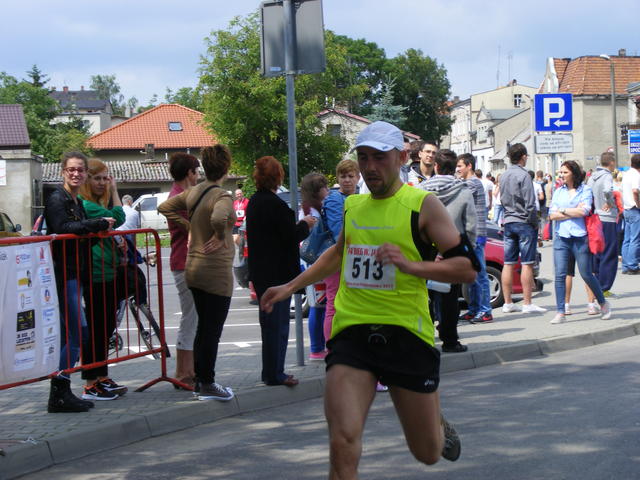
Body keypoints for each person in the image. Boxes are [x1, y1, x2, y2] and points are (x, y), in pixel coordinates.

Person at [260, 121, 479, 477]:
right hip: (353, 332)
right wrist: (289, 286)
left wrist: (411, 265)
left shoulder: (422, 205)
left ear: (401, 157)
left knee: (426, 452)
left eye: (379, 157)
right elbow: (338, 253)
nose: (370, 166)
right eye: (363, 158)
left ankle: (436, 425)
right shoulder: (353, 206)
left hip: (407, 334)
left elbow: (467, 268)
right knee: (342, 440)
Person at [159, 145, 236, 401]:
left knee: (202, 327)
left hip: (193, 268)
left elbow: (165, 207)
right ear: (226, 167)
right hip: (215, 271)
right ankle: (207, 383)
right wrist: (219, 234)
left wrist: (189, 225)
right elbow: (219, 217)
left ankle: (201, 380)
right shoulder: (222, 195)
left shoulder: (193, 191)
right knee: (212, 329)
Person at [45, 152, 113, 413]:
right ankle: (59, 391)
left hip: (76, 274)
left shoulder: (76, 200)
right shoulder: (57, 199)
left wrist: (101, 231)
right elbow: (62, 228)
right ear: (63, 171)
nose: (76, 174)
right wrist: (96, 224)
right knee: (77, 334)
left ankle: (62, 391)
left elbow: (81, 233)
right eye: (71, 170)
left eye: (80, 170)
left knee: (75, 334)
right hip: (64, 274)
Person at [245, 156, 316, 387]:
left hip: (260, 272)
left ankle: (270, 372)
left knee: (268, 325)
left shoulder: (254, 202)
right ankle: (276, 373)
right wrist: (306, 224)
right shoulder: (275, 205)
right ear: (278, 177)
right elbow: (290, 237)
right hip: (277, 274)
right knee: (278, 325)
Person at [78, 158, 128, 401]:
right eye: (97, 178)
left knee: (105, 327)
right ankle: (91, 383)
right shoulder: (87, 205)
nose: (102, 183)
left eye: (105, 179)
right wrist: (115, 191)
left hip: (107, 271)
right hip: (95, 272)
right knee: (97, 328)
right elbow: (118, 216)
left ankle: (101, 376)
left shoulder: (96, 203)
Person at [421, 149, 477, 353]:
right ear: (454, 168)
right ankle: (450, 340)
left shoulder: (421, 191)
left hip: (426, 250)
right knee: (450, 298)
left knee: (424, 296)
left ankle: (425, 338)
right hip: (453, 250)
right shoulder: (463, 191)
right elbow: (471, 226)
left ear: (436, 166)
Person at [548, 161, 611, 324]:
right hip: (561, 237)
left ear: (574, 174)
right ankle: (560, 311)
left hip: (580, 237)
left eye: (565, 172)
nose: (561, 175)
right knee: (560, 275)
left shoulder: (585, 189)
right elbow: (551, 215)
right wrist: (572, 211)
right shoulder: (558, 191)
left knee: (586, 274)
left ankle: (603, 303)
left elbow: (584, 211)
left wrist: (562, 210)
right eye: (560, 172)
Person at [161, 152, 200, 388]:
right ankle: (183, 372)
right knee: (190, 317)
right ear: (189, 173)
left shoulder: (180, 194)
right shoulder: (180, 198)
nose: (199, 176)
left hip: (185, 261)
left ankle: (188, 369)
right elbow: (195, 228)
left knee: (193, 317)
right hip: (184, 262)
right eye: (197, 171)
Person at [499, 143, 546, 314]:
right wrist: (535, 223)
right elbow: (530, 203)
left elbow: (501, 199)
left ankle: (508, 302)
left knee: (508, 263)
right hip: (524, 221)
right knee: (527, 263)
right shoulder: (524, 175)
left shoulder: (503, 175)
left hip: (509, 220)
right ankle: (527, 303)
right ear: (523, 157)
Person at [322, 159, 359, 345]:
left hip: (353, 258)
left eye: (351, 176)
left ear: (358, 177)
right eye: (343, 176)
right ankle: (331, 347)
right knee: (334, 304)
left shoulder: (359, 197)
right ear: (337, 178)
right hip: (337, 258)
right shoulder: (334, 199)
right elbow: (338, 232)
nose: (347, 180)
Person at [456, 153, 492, 323]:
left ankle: (485, 311)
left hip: (476, 234)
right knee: (471, 275)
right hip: (470, 234)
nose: (457, 169)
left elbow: (457, 195)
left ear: (469, 166)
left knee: (480, 274)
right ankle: (474, 309)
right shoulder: (467, 182)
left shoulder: (473, 183)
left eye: (460, 166)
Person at [299, 172, 330, 361]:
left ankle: (317, 348)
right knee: (319, 305)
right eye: (324, 187)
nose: (327, 190)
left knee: (318, 304)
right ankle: (317, 348)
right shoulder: (314, 210)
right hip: (317, 261)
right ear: (317, 191)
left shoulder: (306, 208)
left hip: (311, 261)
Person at [587, 152, 619, 295]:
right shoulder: (607, 176)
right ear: (611, 162)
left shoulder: (592, 176)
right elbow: (607, 190)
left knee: (597, 251)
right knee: (609, 252)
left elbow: (588, 192)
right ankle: (604, 287)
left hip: (595, 216)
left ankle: (596, 283)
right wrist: (610, 202)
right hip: (607, 217)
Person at [621, 154, 640, 274]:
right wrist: (638, 204)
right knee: (635, 239)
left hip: (626, 209)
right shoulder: (636, 175)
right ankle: (632, 266)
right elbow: (635, 191)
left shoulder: (626, 174)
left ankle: (625, 265)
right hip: (634, 209)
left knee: (627, 239)